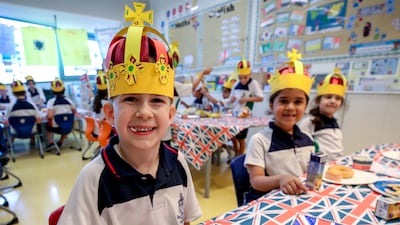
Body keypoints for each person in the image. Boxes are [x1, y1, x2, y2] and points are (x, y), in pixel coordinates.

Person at [56, 3, 201, 225]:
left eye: (156, 101)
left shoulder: (178, 162)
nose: (144, 112)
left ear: (171, 114)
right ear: (110, 114)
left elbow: (185, 220)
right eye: (131, 99)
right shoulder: (93, 179)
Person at [244, 49, 315, 202]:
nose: (290, 107)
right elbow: (256, 182)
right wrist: (280, 179)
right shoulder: (260, 140)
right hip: (272, 202)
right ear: (271, 105)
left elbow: (309, 174)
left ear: (306, 106)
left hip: (302, 199)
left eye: (298, 102)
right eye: (283, 101)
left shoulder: (308, 138)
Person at [299, 68, 348, 162]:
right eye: (328, 97)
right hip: (321, 166)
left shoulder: (334, 123)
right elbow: (300, 147)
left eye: (337, 98)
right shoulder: (309, 122)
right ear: (318, 101)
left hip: (337, 163)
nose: (333, 101)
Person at [228, 59, 264, 155]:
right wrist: (232, 99)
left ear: (250, 74)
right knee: (233, 136)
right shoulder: (236, 84)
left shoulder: (253, 84)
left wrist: (247, 99)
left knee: (241, 138)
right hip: (235, 114)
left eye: (245, 77)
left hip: (245, 115)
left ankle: (240, 156)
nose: (243, 80)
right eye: (240, 77)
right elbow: (232, 97)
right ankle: (235, 155)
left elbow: (260, 98)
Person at [5, 80, 41, 146]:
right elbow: (38, 120)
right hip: (32, 131)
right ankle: (33, 141)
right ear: (25, 93)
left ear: (13, 94)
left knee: (13, 125)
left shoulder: (10, 106)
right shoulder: (32, 105)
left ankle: (9, 143)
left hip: (15, 132)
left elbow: (7, 121)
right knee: (31, 123)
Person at [46, 79, 77, 148]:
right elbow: (75, 112)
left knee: (47, 127)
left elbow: (50, 116)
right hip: (69, 127)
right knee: (66, 123)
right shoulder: (69, 100)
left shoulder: (51, 102)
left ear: (52, 91)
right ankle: (61, 141)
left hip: (56, 127)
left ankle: (51, 142)